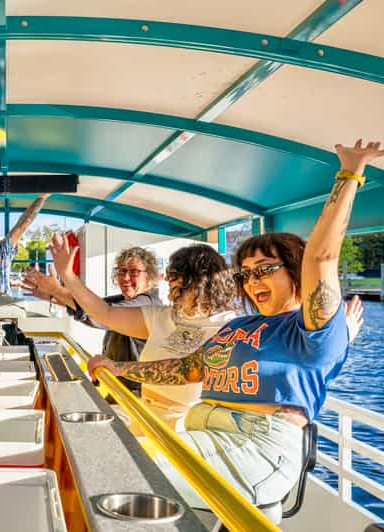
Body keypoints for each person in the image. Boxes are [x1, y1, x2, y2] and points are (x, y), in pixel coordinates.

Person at [81, 139, 382, 510]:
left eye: (266, 270)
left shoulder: (309, 329)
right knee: (106, 458)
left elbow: (321, 256)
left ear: (295, 270)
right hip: (207, 433)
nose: (253, 282)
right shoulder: (238, 326)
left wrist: (350, 174)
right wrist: (117, 367)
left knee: (117, 470)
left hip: (257, 448)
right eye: (246, 274)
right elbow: (186, 369)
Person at [51, 239, 238, 431]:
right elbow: (104, 313)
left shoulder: (227, 327)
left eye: (175, 279)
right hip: (145, 417)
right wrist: (68, 276)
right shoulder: (164, 316)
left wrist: (118, 368)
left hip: (185, 431)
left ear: (199, 281)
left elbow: (186, 371)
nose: (169, 284)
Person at [21, 247, 163, 393]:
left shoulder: (147, 304)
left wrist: (58, 287)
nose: (126, 278)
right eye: (122, 271)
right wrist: (51, 295)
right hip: (118, 388)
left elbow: (101, 315)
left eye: (134, 272)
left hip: (136, 397)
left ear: (150, 276)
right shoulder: (126, 300)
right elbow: (88, 305)